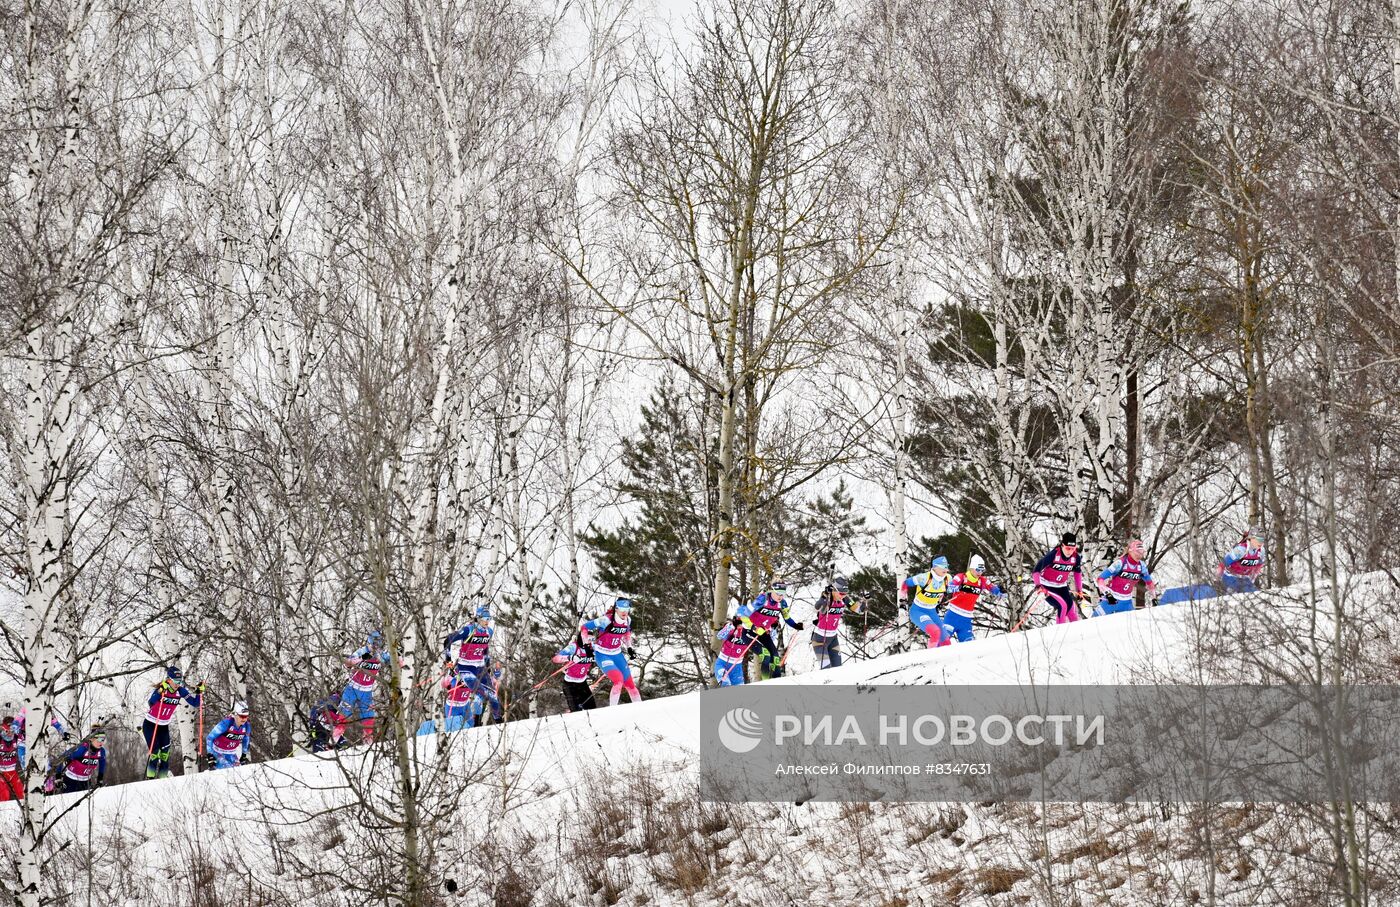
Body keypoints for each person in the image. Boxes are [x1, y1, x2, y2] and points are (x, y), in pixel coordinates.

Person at [142, 665, 203, 779]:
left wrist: (199, 693)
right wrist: (160, 690)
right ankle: (150, 779)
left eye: (180, 681)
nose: (177, 684)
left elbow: (195, 703)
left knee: (165, 754)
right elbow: (151, 703)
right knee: (155, 753)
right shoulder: (162, 689)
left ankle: (162, 779)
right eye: (175, 681)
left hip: (164, 725)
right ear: (168, 680)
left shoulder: (180, 691)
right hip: (151, 724)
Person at [443, 607, 502, 721]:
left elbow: (485, 649)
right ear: (478, 618)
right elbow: (448, 640)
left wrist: (488, 667)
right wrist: (448, 661)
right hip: (466, 669)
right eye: (485, 618)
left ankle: (500, 722)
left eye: (489, 618)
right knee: (482, 692)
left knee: (493, 696)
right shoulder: (468, 630)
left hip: (480, 668)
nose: (487, 621)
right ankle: (473, 720)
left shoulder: (489, 632)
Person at [736, 581, 804, 679]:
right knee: (766, 655)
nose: (780, 597)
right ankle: (766, 683)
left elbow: (787, 618)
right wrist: (754, 627)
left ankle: (776, 682)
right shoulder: (762, 599)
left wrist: (796, 625)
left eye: (782, 594)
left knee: (775, 657)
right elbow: (743, 615)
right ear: (772, 591)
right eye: (778, 593)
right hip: (749, 632)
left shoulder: (782, 603)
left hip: (763, 633)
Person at [581, 598, 642, 706]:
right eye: (622, 609)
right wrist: (586, 646)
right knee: (618, 681)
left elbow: (627, 633)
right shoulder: (606, 620)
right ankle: (612, 711)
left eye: (627, 609)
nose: (624, 612)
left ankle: (640, 709)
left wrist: (630, 648)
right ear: (616, 609)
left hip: (617, 654)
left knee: (630, 685)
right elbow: (584, 627)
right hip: (603, 655)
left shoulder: (628, 620)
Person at [339, 630, 386, 742]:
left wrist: (400, 655)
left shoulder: (380, 655)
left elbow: (395, 661)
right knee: (343, 716)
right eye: (372, 645)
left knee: (369, 718)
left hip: (367, 691)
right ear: (368, 643)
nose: (374, 648)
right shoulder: (361, 652)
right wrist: (361, 659)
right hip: (353, 689)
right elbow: (347, 662)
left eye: (377, 645)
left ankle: (368, 743)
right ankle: (333, 741)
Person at [943, 555, 1002, 643]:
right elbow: (948, 588)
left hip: (966, 620)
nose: (980, 572)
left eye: (982, 570)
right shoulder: (961, 577)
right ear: (971, 568)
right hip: (952, 616)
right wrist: (959, 587)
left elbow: (993, 589)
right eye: (978, 570)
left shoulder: (982, 581)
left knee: (970, 646)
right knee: (942, 642)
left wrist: (1001, 592)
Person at [1032, 533, 1086, 624]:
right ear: (1062, 545)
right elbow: (1036, 571)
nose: (1070, 551)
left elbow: (1077, 573)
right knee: (1062, 606)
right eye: (1068, 548)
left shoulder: (1076, 557)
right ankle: (1060, 633)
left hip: (1061, 586)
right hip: (1047, 586)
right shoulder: (1053, 555)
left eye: (1073, 549)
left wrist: (1080, 590)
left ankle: (1078, 633)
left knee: (1071, 608)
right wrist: (1038, 586)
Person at [903, 557, 956, 648]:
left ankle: (943, 661)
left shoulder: (948, 578)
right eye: (942, 567)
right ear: (934, 567)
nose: (946, 569)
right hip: (917, 611)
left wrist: (963, 587)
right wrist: (902, 604)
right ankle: (930, 657)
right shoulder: (923, 578)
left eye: (946, 566)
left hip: (932, 611)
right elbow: (905, 584)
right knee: (935, 632)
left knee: (946, 640)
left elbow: (952, 590)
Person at [1096, 539, 1159, 614]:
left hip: (1126, 603)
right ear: (1130, 551)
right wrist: (1108, 594)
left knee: (1131, 625)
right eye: (1137, 552)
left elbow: (1150, 583)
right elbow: (1100, 579)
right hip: (1111, 600)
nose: (1139, 555)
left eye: (1141, 552)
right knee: (1093, 622)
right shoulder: (1119, 563)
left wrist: (1154, 598)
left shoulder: (1142, 566)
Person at [811, 576, 859, 668]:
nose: (843, 596)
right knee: (826, 670)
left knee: (837, 669)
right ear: (834, 590)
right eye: (841, 593)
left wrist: (865, 600)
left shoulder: (845, 599)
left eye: (845, 594)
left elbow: (858, 609)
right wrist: (824, 596)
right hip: (819, 640)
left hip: (833, 639)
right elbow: (816, 609)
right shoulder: (828, 598)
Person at [553, 634, 597, 712]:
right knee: (576, 712)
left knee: (592, 709)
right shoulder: (574, 647)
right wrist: (570, 657)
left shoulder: (592, 647)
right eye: (588, 639)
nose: (590, 642)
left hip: (582, 683)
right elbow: (556, 658)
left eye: (592, 639)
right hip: (570, 684)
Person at [56, 726, 107, 794]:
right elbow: (61, 758)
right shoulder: (81, 749)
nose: (101, 742)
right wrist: (58, 777)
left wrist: (100, 778)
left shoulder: (101, 751)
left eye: (103, 739)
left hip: (86, 782)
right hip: (71, 781)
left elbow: (102, 763)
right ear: (91, 738)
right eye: (99, 739)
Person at [205, 702, 252, 769]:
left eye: (246, 717)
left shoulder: (247, 726)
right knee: (227, 771)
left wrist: (244, 755)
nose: (244, 719)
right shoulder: (226, 723)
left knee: (238, 772)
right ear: (235, 714)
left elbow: (246, 740)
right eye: (242, 716)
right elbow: (209, 738)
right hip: (218, 752)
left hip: (231, 753)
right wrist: (210, 755)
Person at [1218, 528, 1266, 594]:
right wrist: (1218, 578)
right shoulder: (1241, 550)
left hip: (1244, 579)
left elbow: (1258, 566)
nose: (1260, 542)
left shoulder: (1261, 551)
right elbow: (1224, 562)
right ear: (1251, 538)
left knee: (1254, 596)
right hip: (1230, 577)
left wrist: (1252, 579)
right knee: (1234, 597)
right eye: (1258, 539)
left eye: (1262, 540)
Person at [714, 617, 759, 686]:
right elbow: (719, 636)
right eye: (740, 622)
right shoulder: (731, 629)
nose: (741, 625)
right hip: (723, 663)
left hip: (737, 667)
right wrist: (731, 626)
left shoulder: (750, 633)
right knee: (726, 684)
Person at [0, 714, 24, 801]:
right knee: (3, 794)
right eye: (7, 731)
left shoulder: (17, 738)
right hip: (1, 773)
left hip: (13, 772)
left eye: (12, 731)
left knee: (21, 792)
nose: (10, 734)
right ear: (3, 728)